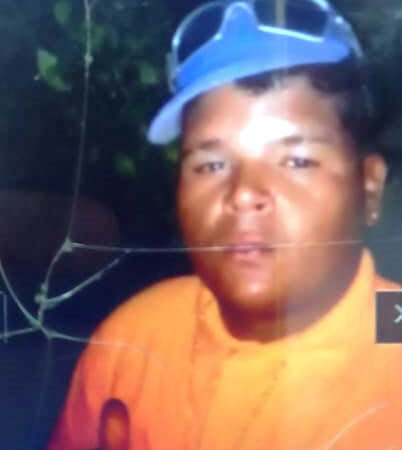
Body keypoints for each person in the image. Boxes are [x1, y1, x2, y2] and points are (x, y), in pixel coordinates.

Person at [48, 1, 402, 449]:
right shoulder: (133, 338)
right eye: (212, 165)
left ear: (368, 189)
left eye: (296, 160)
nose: (243, 193)